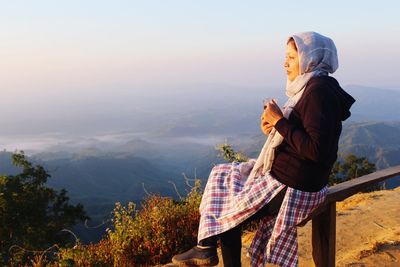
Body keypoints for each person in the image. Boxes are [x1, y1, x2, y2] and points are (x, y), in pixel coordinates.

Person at [171, 31, 355, 267]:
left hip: (294, 188)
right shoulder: (313, 87)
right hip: (293, 179)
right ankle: (205, 246)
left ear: (310, 58)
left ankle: (206, 249)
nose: (284, 63)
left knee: (230, 208)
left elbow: (318, 151)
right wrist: (275, 129)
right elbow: (305, 139)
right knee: (223, 174)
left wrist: (280, 121)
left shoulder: (318, 91)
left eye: (291, 57)